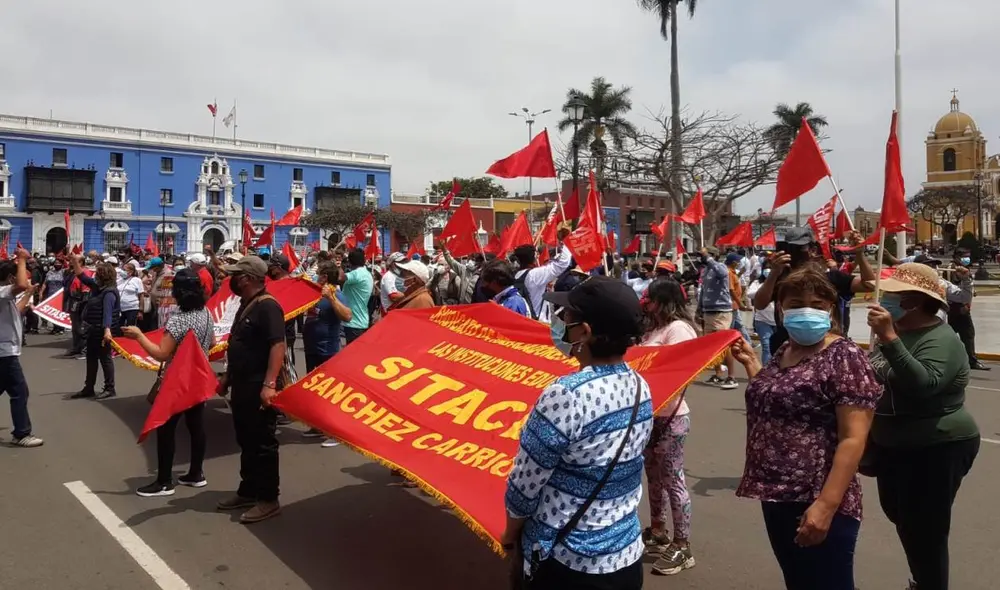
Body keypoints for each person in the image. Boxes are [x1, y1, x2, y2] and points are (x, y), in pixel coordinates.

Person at [730, 265, 882, 590]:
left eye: (816, 304)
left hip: (815, 497)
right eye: (796, 303)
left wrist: (826, 506)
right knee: (798, 582)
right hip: (774, 494)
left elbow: (854, 438)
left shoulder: (844, 356)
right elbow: (781, 397)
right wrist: (751, 364)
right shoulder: (787, 350)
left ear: (831, 309)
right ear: (782, 309)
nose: (806, 310)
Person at [502, 276, 651, 590]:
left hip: (568, 562)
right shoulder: (640, 386)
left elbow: (525, 484)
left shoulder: (567, 394)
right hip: (624, 557)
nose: (558, 323)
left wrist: (510, 535)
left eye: (565, 317)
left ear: (585, 332)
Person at [865, 263, 980, 590]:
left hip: (936, 445)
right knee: (903, 518)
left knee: (926, 529)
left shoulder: (939, 338)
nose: (885, 298)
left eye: (893, 294)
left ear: (914, 300)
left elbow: (922, 383)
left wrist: (889, 337)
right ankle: (922, 579)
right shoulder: (899, 334)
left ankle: (929, 584)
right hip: (895, 446)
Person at [123, 269, 215, 497]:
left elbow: (162, 353)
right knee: (196, 426)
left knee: (165, 428)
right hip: (199, 378)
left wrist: (139, 336)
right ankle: (196, 473)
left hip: (179, 381)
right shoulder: (206, 313)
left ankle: (164, 481)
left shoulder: (179, 320)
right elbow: (212, 342)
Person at [216, 256, 285, 524]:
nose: (231, 279)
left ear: (246, 279)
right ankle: (248, 490)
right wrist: (228, 378)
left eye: (236, 275)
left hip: (259, 385)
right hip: (242, 384)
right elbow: (239, 344)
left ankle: (268, 499)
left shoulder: (268, 307)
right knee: (246, 439)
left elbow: (277, 346)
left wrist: (269, 385)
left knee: (263, 443)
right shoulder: (247, 305)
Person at [639, 278, 696, 576]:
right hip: (649, 417)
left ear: (664, 300)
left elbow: (677, 370)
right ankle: (658, 530)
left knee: (673, 480)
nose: (646, 302)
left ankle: (683, 545)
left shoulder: (679, 330)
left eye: (650, 298)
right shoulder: (652, 329)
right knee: (654, 478)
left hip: (671, 417)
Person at [753, 227, 875, 353]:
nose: (794, 253)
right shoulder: (780, 277)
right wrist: (774, 273)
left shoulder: (829, 277)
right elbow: (759, 304)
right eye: (790, 249)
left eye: (799, 248)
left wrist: (860, 254)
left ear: (813, 250)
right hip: (787, 346)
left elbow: (869, 285)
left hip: (826, 348)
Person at [300, 262, 354, 447]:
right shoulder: (315, 294)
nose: (317, 277)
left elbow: (347, 316)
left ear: (325, 277)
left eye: (319, 275)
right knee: (313, 390)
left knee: (329, 392)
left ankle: (335, 432)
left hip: (328, 350)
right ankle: (318, 426)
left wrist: (331, 298)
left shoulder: (337, 295)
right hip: (311, 348)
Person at [0, 247, 43, 447]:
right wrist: (23, 259)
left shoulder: (4, 297)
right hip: (4, 353)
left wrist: (29, 293)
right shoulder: (2, 291)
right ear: (9, 277)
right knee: (20, 391)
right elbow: (20, 284)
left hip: (6, 350)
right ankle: (22, 433)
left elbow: (17, 310)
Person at [70, 257, 121, 400]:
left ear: (103, 276)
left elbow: (107, 313)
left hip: (102, 331)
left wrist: (107, 330)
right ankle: (89, 388)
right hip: (93, 329)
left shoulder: (109, 293)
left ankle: (110, 388)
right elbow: (83, 277)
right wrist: (74, 262)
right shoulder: (98, 288)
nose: (95, 276)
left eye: (98, 273)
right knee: (91, 358)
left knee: (105, 359)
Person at [697, 246, 738, 390]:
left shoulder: (720, 267)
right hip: (708, 310)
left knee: (724, 344)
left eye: (705, 255)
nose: (702, 258)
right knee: (713, 345)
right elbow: (703, 289)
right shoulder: (706, 270)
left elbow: (721, 272)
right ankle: (718, 373)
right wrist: (699, 308)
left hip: (721, 311)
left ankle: (731, 376)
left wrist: (708, 257)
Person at [944, 249, 988, 371]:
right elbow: (952, 289)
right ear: (957, 257)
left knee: (964, 334)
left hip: (962, 306)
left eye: (968, 256)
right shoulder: (952, 269)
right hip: (956, 307)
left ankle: (969, 360)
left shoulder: (963, 267)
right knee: (964, 333)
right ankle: (969, 360)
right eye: (965, 257)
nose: (967, 259)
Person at [511, 240, 572, 322]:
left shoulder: (514, 275)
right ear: (533, 260)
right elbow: (562, 264)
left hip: (524, 320)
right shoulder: (534, 275)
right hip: (537, 323)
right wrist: (567, 244)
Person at [341, 248, 374, 345]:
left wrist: (337, 263)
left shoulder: (357, 274)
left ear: (350, 262)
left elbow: (339, 277)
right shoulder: (366, 273)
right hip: (360, 320)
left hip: (354, 322)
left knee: (352, 356)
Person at [747, 267, 777, 364]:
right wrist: (765, 289)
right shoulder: (757, 283)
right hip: (762, 320)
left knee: (779, 348)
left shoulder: (780, 282)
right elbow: (749, 294)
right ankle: (766, 374)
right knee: (766, 346)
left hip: (779, 321)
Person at [41, 258, 66, 334]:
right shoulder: (50, 272)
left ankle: (61, 328)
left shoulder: (64, 272)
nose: (57, 264)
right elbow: (45, 283)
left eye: (59, 263)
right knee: (52, 312)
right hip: (51, 295)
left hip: (61, 295)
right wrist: (41, 292)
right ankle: (55, 328)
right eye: (55, 262)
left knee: (60, 312)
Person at [118, 261, 145, 327]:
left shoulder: (137, 280)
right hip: (120, 309)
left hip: (132, 308)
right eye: (122, 269)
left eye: (124, 270)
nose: (122, 271)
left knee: (130, 328)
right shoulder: (119, 280)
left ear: (131, 271)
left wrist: (140, 311)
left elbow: (141, 296)